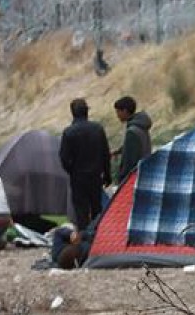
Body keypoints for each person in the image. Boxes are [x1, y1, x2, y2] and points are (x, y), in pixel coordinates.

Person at [59, 98, 111, 230]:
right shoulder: (98, 129)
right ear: (87, 112)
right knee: (96, 209)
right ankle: (97, 238)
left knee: (81, 210)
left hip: (78, 177)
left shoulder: (69, 132)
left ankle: (84, 239)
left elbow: (64, 158)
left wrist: (72, 171)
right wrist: (107, 174)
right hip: (95, 175)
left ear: (73, 113)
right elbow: (105, 153)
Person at [113, 96, 153, 183]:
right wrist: (119, 151)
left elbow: (129, 160)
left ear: (125, 111)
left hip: (134, 178)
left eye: (118, 111)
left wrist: (122, 178)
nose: (117, 115)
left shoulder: (132, 131)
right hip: (143, 172)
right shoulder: (140, 126)